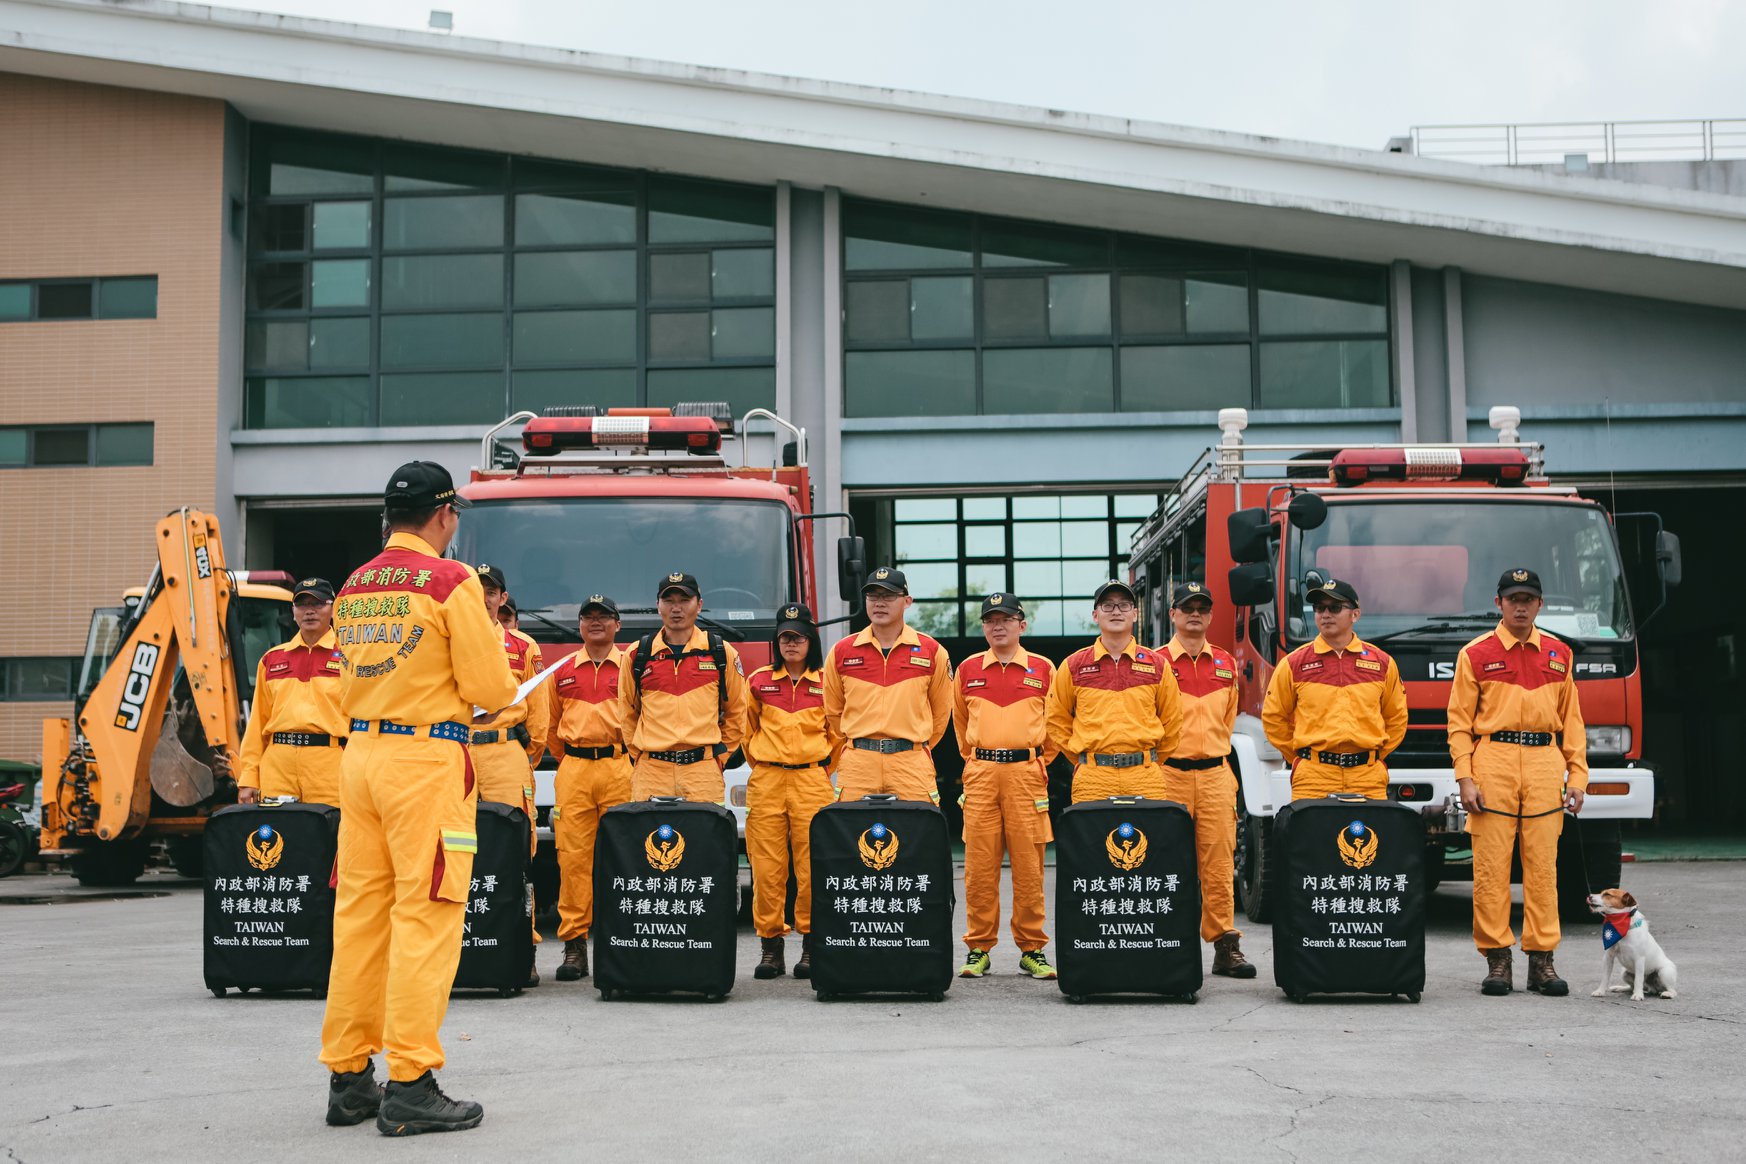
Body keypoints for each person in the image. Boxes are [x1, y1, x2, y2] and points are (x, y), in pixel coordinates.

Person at [318, 461, 518, 1136]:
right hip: (424, 762)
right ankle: (409, 1081)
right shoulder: (450, 580)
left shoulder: (355, 584)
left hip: (362, 758)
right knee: (427, 918)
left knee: (360, 920)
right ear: (443, 516)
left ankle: (349, 1078)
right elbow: (491, 687)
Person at [1447, 567, 1588, 998]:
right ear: (1499, 604)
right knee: (1490, 868)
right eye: (1513, 598)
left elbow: (1573, 723)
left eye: (1528, 598)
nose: (1521, 605)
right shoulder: (1475, 653)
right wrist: (1465, 777)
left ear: (1540, 604)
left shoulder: (1560, 654)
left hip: (1545, 761)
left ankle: (1542, 961)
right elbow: (1458, 724)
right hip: (1494, 761)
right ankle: (1497, 959)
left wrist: (1577, 775)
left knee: (1543, 868)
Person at [953, 593, 1058, 981]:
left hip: (1026, 774)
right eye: (990, 620)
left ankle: (1032, 949)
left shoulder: (1044, 669)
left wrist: (1036, 758)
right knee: (979, 865)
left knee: (1029, 865)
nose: (998, 626)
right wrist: (979, 759)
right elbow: (960, 726)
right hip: (981, 773)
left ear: (1022, 625)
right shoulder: (966, 670)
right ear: (983, 627)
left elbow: (1058, 724)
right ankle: (978, 948)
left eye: (1007, 619)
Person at [1155, 581, 1253, 979]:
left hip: (1215, 774)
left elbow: (1227, 719)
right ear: (1173, 615)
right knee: (1165, 862)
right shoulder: (1155, 663)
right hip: (1168, 775)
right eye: (1186, 607)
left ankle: (1225, 947)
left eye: (1202, 608)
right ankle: (1166, 941)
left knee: (1217, 864)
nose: (1194, 613)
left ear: (1211, 616)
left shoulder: (1227, 665)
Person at [743, 603, 839, 980]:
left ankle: (810, 946)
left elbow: (838, 736)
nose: (791, 643)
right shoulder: (758, 680)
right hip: (767, 780)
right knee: (767, 870)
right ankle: (771, 948)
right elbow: (746, 733)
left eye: (798, 637)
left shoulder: (826, 681)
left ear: (810, 640)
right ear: (777, 642)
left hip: (812, 781)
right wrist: (768, 765)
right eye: (785, 637)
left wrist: (817, 770)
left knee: (812, 868)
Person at [466, 562, 548, 986]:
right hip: (457, 751)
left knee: (519, 850)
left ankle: (524, 944)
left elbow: (539, 720)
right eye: (476, 589)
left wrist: (519, 755)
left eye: (491, 591)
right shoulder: (450, 643)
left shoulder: (523, 646)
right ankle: (460, 945)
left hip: (504, 753)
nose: (483, 597)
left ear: (502, 598)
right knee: (453, 848)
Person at [543, 594, 632, 982]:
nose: (596, 623)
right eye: (588, 617)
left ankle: (622, 940)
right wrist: (573, 761)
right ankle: (575, 946)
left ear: (618, 624)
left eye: (604, 617)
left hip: (619, 767)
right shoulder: (562, 671)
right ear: (579, 625)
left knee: (624, 857)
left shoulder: (632, 667)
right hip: (575, 768)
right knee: (573, 859)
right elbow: (550, 729)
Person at [1261, 578, 1406, 800]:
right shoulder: (1293, 663)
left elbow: (1396, 719)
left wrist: (1371, 757)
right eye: (1319, 608)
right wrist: (1303, 757)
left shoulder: (1382, 663)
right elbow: (1273, 718)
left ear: (1355, 614)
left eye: (1335, 607)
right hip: (1313, 778)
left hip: (1367, 777)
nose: (1325, 614)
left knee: (1366, 835)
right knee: (1313, 836)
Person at [823, 567, 952, 803]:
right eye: (873, 596)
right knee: (854, 834)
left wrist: (913, 744)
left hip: (911, 763)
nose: (879, 603)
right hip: (858, 763)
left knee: (914, 835)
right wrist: (860, 744)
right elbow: (833, 710)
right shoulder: (841, 651)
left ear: (907, 601)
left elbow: (941, 713)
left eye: (889, 595)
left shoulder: (932, 651)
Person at [1044, 580, 1182, 802]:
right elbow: (1055, 720)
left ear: (1135, 614)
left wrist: (1149, 760)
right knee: (1092, 837)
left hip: (1145, 776)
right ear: (1095, 615)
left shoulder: (1157, 665)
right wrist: (1083, 759)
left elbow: (1173, 721)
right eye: (1107, 605)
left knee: (1146, 836)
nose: (1116, 611)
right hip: (1093, 778)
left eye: (1124, 605)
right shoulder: (1073, 665)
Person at [619, 572, 749, 804]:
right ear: (658, 606)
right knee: (651, 837)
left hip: (702, 772)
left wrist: (720, 758)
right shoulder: (638, 654)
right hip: (651, 771)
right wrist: (640, 756)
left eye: (684, 600)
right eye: (668, 601)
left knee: (705, 838)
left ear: (699, 605)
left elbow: (737, 711)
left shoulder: (721, 652)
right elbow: (628, 713)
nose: (676, 608)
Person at [235, 577, 346, 808]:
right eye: (302, 604)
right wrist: (248, 778)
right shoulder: (271, 659)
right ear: (293, 611)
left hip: (330, 765)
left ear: (334, 609)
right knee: (277, 837)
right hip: (278, 767)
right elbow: (257, 723)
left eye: (318, 604)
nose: (310, 612)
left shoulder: (350, 656)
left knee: (330, 837)